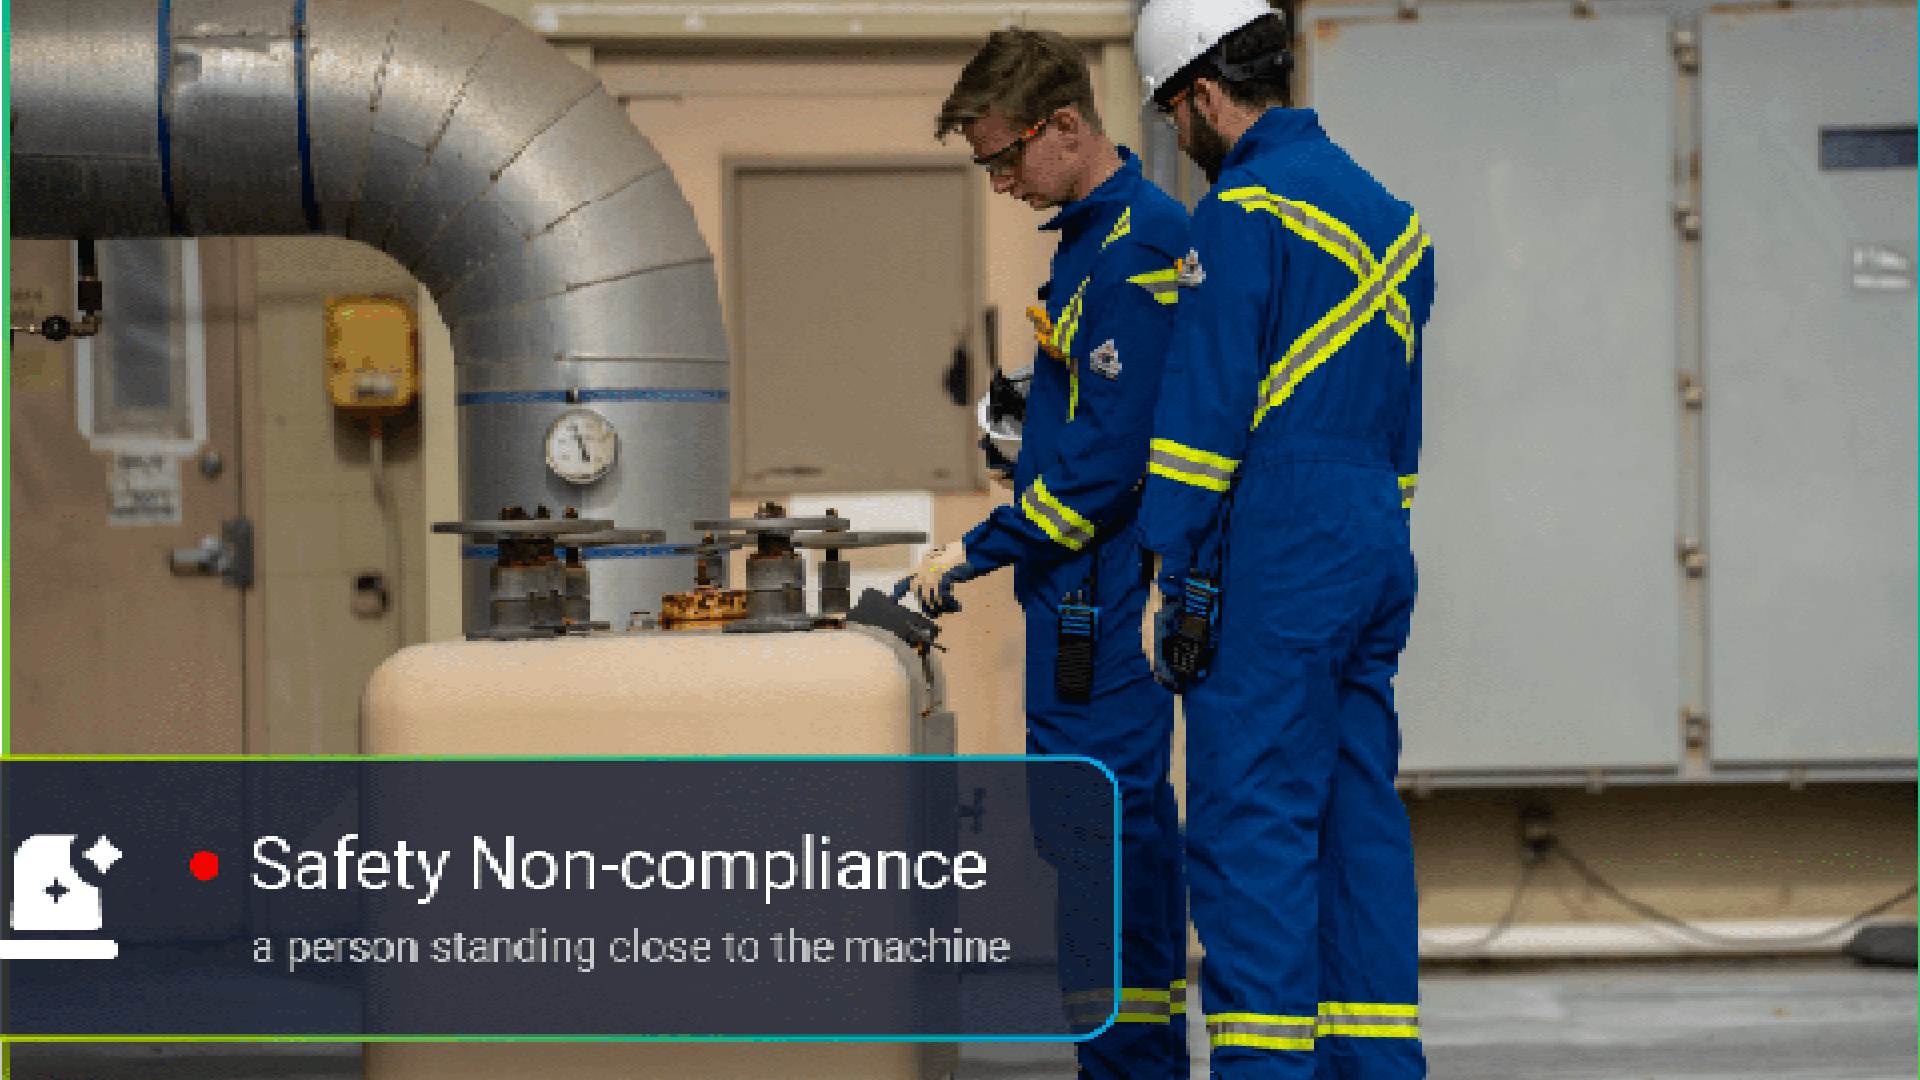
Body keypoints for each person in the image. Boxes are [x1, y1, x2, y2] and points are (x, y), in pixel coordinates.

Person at [1133, 1, 1436, 1077]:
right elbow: (1402, 424)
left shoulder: (1242, 213)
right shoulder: (1395, 221)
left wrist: (1163, 563)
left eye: (1177, 119)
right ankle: (1377, 1067)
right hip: (1370, 540)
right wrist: (1372, 534)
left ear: (1204, 96)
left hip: (1280, 541)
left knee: (1252, 824)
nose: (1181, 140)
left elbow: (1205, 416)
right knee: (1356, 825)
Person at [894, 27, 1192, 1079]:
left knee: (1098, 848)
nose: (1002, 183)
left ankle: (1130, 1067)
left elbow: (1109, 470)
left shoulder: (1137, 248)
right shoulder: (1088, 241)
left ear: (1064, 125)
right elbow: (1095, 417)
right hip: (1075, 601)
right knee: (1106, 841)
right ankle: (1132, 1060)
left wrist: (970, 551)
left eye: (1004, 158)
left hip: (1098, 611)